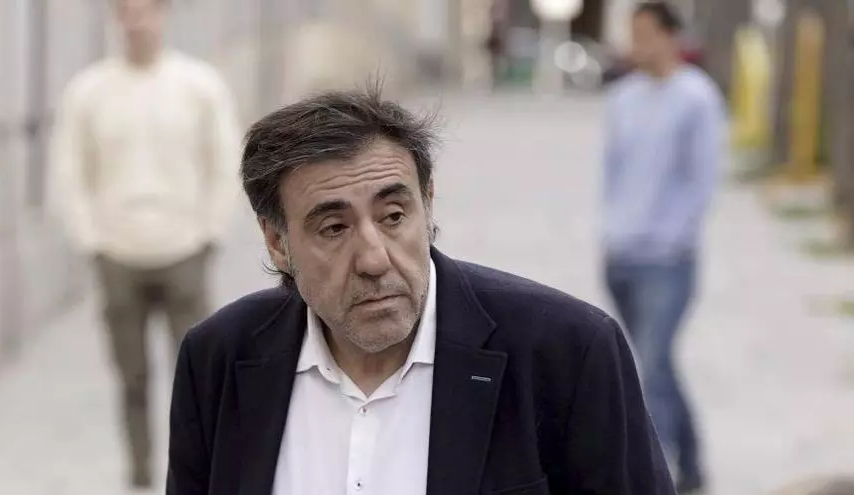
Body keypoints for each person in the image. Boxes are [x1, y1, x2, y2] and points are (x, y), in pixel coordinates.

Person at [166, 84, 675, 494]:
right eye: (334, 228)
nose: (374, 259)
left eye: (393, 216)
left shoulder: (566, 352)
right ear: (278, 243)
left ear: (428, 204)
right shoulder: (218, 358)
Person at [48, 0, 240, 488]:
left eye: (146, 10)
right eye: (127, 11)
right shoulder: (89, 90)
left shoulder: (198, 85)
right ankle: (139, 474)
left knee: (197, 373)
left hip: (184, 249)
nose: (137, 21)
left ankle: (196, 472)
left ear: (163, 14)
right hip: (117, 253)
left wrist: (210, 233)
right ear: (116, 19)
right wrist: (91, 239)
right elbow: (69, 169)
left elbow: (224, 161)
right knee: (131, 376)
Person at [601, 2, 725, 493]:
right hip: (621, 255)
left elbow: (703, 180)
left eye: (647, 34)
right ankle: (693, 465)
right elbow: (613, 174)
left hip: (668, 260)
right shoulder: (622, 98)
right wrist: (611, 232)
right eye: (633, 34)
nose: (638, 44)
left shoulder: (697, 98)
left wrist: (676, 236)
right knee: (657, 364)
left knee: (650, 366)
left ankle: (658, 476)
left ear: (673, 36)